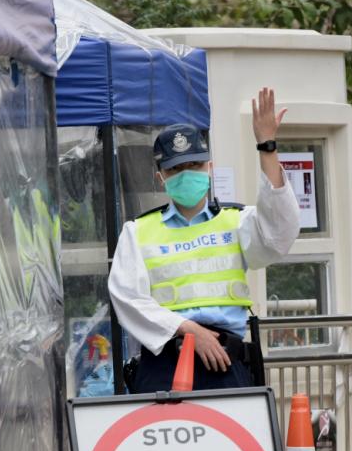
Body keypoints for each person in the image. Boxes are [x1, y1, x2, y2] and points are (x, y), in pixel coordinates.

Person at [109, 88, 299, 393]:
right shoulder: (137, 231)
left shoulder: (237, 221)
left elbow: (280, 233)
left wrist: (267, 148)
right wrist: (188, 329)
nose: (187, 174)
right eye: (175, 168)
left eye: (194, 165)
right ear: (161, 177)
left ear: (209, 167)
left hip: (224, 363)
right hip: (165, 363)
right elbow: (127, 299)